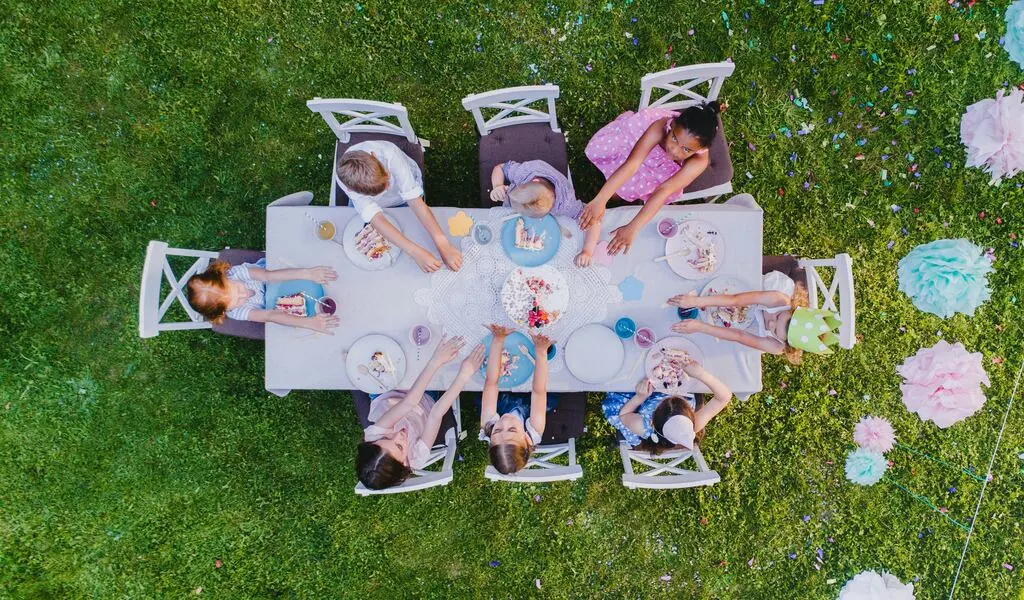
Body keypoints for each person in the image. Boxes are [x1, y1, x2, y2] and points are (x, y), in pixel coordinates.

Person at [580, 102, 724, 255]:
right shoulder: (660, 127)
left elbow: (664, 190)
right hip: (638, 146)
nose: (674, 150)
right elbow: (633, 163)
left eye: (686, 149)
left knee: (621, 192)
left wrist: (633, 228)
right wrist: (601, 200)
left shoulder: (698, 162)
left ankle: (614, 193)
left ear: (700, 150)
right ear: (672, 125)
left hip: (663, 173)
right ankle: (608, 191)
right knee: (614, 187)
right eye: (674, 138)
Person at [356, 336, 485, 489]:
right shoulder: (417, 457)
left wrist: (436, 360)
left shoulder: (375, 435)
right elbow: (435, 415)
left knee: (388, 347)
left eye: (387, 437)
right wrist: (464, 374)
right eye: (399, 446)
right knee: (427, 348)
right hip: (424, 400)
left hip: (388, 392)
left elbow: (409, 402)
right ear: (405, 463)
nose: (399, 434)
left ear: (371, 442)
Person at [335, 140, 462, 273]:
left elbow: (415, 201)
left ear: (374, 155)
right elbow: (376, 218)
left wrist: (442, 244)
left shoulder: (390, 154)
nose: (389, 186)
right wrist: (415, 252)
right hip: (379, 205)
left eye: (388, 178)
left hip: (405, 191)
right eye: (381, 190)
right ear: (350, 190)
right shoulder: (346, 182)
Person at [668, 270, 839, 364]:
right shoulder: (779, 299)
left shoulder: (776, 346)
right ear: (792, 308)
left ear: (784, 343)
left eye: (774, 329)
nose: (770, 322)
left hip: (750, 329)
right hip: (755, 296)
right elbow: (735, 300)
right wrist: (696, 301)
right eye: (778, 316)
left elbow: (738, 335)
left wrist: (700, 327)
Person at [488, 159, 601, 267]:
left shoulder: (566, 204)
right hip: (533, 171)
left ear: (552, 210)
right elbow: (500, 167)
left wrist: (587, 251)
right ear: (532, 181)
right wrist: (497, 186)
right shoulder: (524, 172)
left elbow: (593, 220)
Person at [186, 258, 339, 332]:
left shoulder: (235, 273)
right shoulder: (236, 312)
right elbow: (269, 315)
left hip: (272, 275)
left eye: (237, 290)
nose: (243, 295)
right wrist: (310, 323)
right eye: (236, 301)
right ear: (224, 311)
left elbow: (268, 276)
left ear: (225, 276)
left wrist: (308, 273)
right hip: (273, 301)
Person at [479, 324, 553, 474]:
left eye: (497, 430)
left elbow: (491, 383)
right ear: (526, 439)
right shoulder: (535, 429)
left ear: (490, 439)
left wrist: (498, 340)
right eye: (512, 429)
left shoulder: (487, 425)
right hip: (531, 403)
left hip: (503, 402)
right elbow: (539, 391)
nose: (504, 422)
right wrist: (540, 352)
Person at [604, 368, 732, 454]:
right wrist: (701, 374)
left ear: (653, 421)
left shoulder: (644, 427)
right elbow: (724, 398)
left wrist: (640, 397)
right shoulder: (695, 424)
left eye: (665, 401)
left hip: (646, 395)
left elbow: (624, 415)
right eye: (678, 399)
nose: (671, 395)